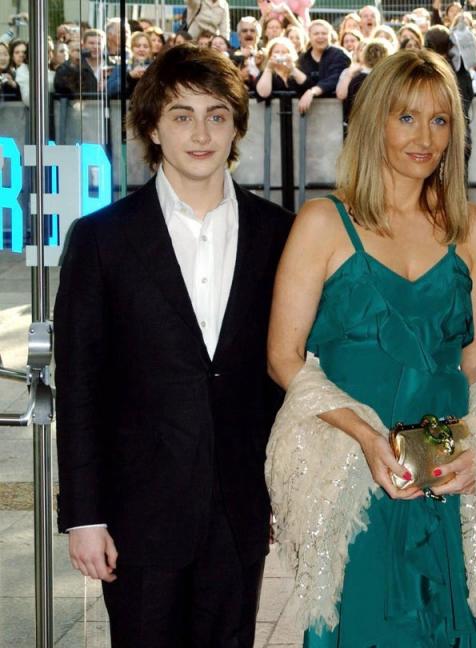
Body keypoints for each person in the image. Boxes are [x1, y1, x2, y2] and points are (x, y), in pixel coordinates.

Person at [265, 47, 476, 647]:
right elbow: (283, 355)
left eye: (440, 119)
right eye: (406, 117)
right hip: (352, 475)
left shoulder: (475, 227)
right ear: (374, 120)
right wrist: (366, 437)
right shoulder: (323, 222)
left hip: (442, 477)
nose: (424, 137)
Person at [54, 44, 293, 647]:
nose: (201, 132)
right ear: (153, 127)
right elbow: (80, 387)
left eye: (216, 114)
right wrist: (85, 515)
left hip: (239, 509)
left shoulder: (278, 233)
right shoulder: (102, 239)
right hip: (138, 514)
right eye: (181, 115)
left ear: (237, 125)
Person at [296, 19, 349, 114]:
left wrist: (313, 91)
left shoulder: (339, 55)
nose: (320, 36)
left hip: (335, 112)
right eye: (316, 34)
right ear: (309, 36)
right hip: (306, 114)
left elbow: (335, 78)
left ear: (330, 36)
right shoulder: (302, 59)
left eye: (324, 33)